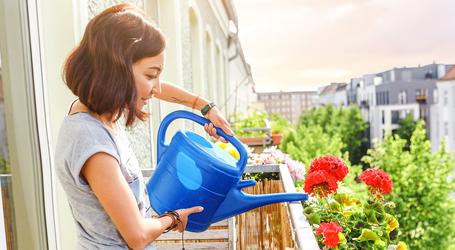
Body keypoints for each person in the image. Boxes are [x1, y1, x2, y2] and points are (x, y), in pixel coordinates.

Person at [55, 3, 234, 249]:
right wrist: (172, 219)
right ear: (116, 70)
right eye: (151, 76)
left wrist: (205, 107)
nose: (157, 88)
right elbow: (137, 235)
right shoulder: (90, 140)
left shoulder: (95, 114)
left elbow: (158, 88)